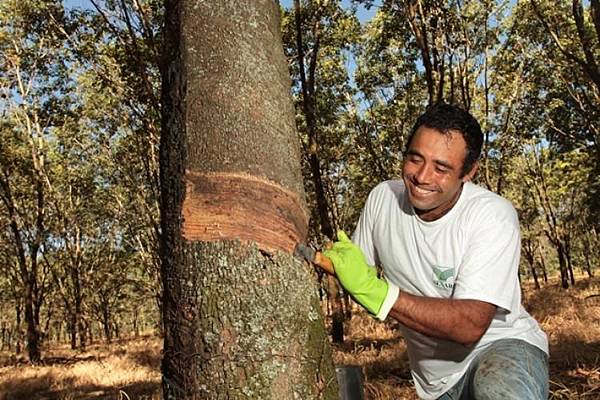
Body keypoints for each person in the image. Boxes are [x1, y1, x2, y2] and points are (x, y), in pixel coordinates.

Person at [324, 102, 549, 400]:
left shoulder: (491, 215)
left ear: (468, 172)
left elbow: (469, 325)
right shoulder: (382, 199)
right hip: (435, 384)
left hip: (502, 348)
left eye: (441, 168)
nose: (422, 176)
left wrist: (377, 293)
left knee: (499, 392)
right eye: (415, 159)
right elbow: (354, 269)